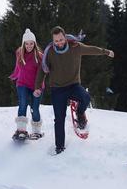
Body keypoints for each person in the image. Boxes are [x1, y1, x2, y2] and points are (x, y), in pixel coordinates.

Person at [34, 26, 114, 154]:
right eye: (56, 41)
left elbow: (91, 49)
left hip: (73, 85)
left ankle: (80, 113)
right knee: (59, 119)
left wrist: (106, 51)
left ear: (65, 37)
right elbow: (42, 70)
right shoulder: (50, 53)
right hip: (57, 89)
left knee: (86, 98)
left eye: (61, 39)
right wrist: (38, 87)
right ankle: (59, 147)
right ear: (53, 41)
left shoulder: (75, 47)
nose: (59, 43)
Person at [9, 28, 44, 140]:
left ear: (35, 43)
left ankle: (36, 131)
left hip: (36, 86)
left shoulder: (39, 56)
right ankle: (21, 130)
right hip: (22, 84)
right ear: (23, 44)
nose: (29, 46)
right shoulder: (20, 53)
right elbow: (18, 67)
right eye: (27, 44)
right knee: (23, 103)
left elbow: (42, 74)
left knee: (34, 108)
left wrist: (38, 88)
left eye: (31, 43)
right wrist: (15, 75)